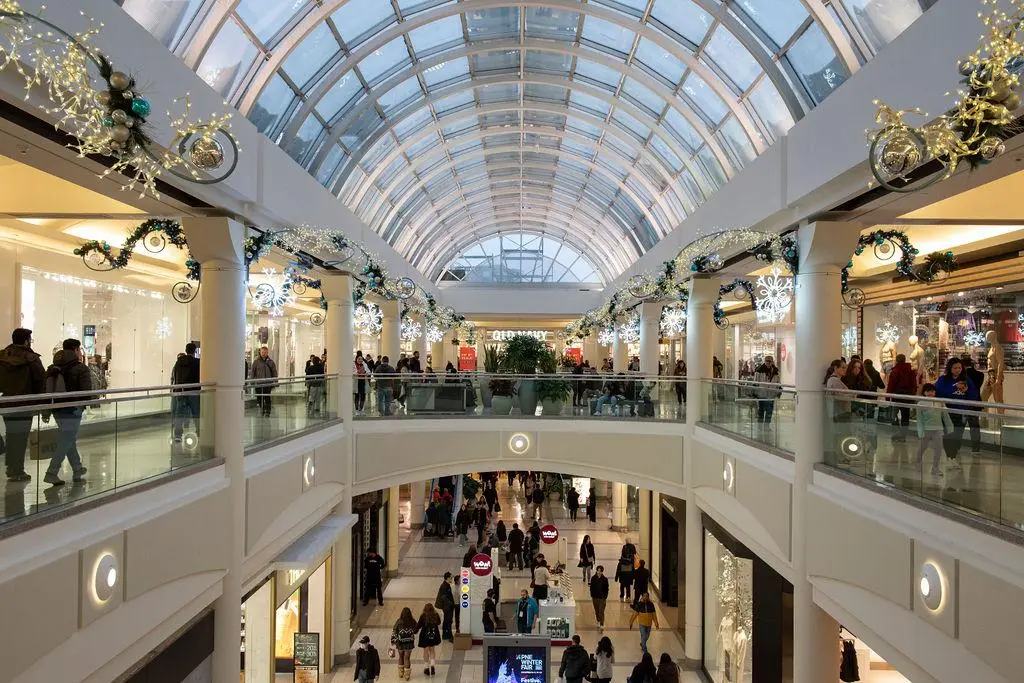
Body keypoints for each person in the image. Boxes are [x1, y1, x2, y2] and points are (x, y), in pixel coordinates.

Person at [41, 339, 94, 486]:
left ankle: (77, 468)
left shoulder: (52, 368)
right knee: (66, 440)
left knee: (68, 438)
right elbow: (86, 392)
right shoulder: (80, 368)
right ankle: (51, 472)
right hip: (73, 409)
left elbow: (45, 390)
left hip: (57, 409)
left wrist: (46, 410)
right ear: (76, 350)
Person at [0, 328, 45, 482]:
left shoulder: (2, 356)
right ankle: (16, 470)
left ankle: (11, 467)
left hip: (5, 403)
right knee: (20, 437)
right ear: (26, 341)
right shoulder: (32, 359)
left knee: (12, 435)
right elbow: (40, 381)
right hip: (25, 404)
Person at [935, 357, 981, 464]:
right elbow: (939, 393)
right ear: (950, 368)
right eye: (955, 368)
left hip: (961, 413)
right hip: (947, 412)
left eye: (959, 368)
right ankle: (950, 457)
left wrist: (967, 390)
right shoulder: (943, 380)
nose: (957, 370)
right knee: (948, 435)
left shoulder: (967, 380)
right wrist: (953, 389)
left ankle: (953, 456)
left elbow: (974, 396)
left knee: (957, 435)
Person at [916, 383, 953, 476]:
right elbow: (919, 419)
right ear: (924, 392)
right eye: (928, 391)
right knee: (922, 447)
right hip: (926, 429)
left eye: (932, 391)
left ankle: (935, 468)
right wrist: (920, 432)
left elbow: (945, 416)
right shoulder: (920, 403)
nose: (931, 393)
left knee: (938, 449)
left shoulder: (940, 402)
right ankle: (918, 462)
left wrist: (949, 427)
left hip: (938, 429)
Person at [170, 342, 201, 442]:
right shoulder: (197, 362)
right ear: (194, 351)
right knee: (196, 413)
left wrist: (176, 390)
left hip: (181, 391)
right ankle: (199, 432)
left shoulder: (179, 362)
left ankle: (178, 435)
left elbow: (175, 376)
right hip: (193, 392)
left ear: (186, 350)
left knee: (179, 413)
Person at [886, 353, 918, 431]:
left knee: (894, 414)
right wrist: (913, 393)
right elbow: (914, 383)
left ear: (896, 360)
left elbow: (891, 385)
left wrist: (888, 396)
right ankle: (904, 432)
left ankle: (896, 431)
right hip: (907, 396)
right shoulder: (910, 370)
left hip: (897, 396)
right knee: (905, 415)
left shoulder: (895, 370)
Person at [249, 346, 278, 416]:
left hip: (268, 384)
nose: (263, 353)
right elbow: (253, 372)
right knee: (259, 398)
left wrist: (275, 382)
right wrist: (252, 382)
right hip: (258, 384)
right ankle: (263, 409)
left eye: (265, 352)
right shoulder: (256, 362)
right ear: (260, 352)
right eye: (262, 352)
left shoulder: (271, 362)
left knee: (267, 398)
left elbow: (274, 372)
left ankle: (267, 411)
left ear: (267, 352)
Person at [753, 356, 781, 425]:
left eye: (770, 361)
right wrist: (755, 393)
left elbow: (778, 382)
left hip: (771, 394)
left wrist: (778, 391)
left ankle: (767, 426)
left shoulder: (775, 371)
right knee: (761, 410)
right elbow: (755, 382)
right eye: (767, 361)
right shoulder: (759, 370)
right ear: (765, 361)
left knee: (769, 411)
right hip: (762, 394)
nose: (768, 363)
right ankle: (760, 426)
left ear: (772, 362)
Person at [391, 607, 417, 681]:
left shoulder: (399, 621)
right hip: (409, 643)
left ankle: (401, 672)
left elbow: (394, 630)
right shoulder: (412, 621)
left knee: (401, 656)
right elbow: (416, 630)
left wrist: (393, 641)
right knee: (407, 658)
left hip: (400, 642)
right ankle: (407, 675)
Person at [416, 603, 442, 676]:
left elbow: (418, 625)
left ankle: (426, 668)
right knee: (432, 650)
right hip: (433, 636)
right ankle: (432, 666)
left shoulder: (423, 616)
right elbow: (439, 622)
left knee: (425, 651)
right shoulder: (435, 615)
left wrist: (415, 631)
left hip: (425, 636)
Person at [435, 572, 456, 641]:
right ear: (447, 578)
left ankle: (445, 635)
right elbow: (444, 597)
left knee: (446, 621)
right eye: (451, 578)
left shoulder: (447, 585)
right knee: (449, 621)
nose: (452, 579)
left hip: (447, 606)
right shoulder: (445, 586)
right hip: (447, 607)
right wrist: (450, 603)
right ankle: (450, 636)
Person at [590, 565, 609, 632]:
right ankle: (598, 620)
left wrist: (605, 596)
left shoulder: (605, 579)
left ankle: (602, 624)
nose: (599, 572)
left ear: (602, 571)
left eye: (600, 571)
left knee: (601, 611)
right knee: (597, 611)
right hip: (595, 598)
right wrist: (592, 595)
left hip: (602, 598)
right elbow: (591, 588)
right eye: (598, 570)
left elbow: (607, 589)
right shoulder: (593, 578)